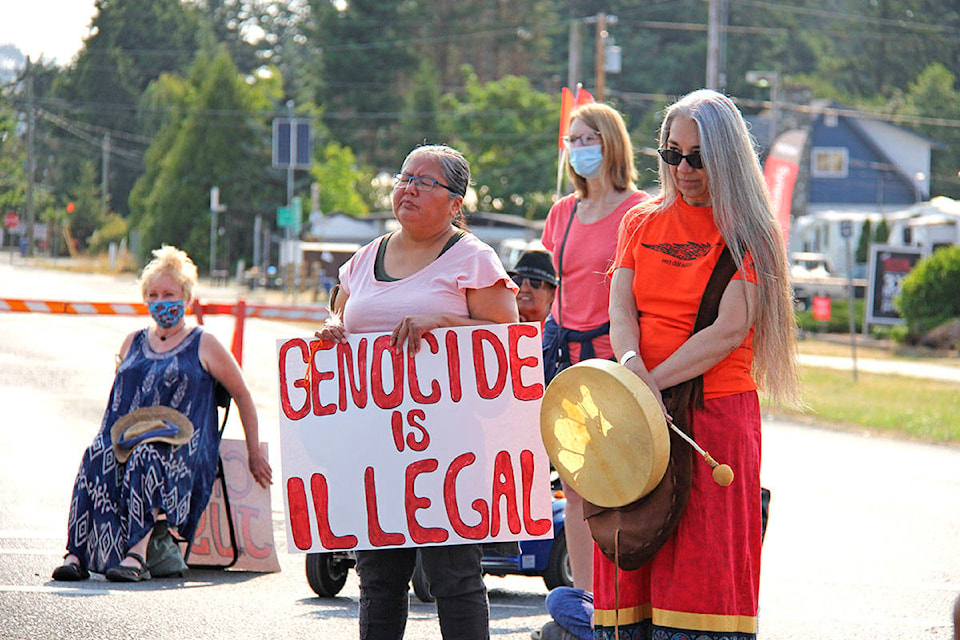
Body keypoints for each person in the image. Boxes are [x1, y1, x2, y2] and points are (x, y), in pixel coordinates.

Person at [600, 89, 800, 639]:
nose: (682, 169)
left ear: (728, 156)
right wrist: (633, 366)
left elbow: (729, 331)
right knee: (629, 559)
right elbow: (620, 305)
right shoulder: (639, 222)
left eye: (698, 157)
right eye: (671, 154)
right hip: (639, 408)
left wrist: (647, 385)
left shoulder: (750, 234)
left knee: (705, 578)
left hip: (713, 417)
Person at [314, 144, 519, 640]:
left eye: (426, 182)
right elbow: (339, 315)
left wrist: (446, 320)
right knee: (379, 580)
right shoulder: (363, 260)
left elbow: (509, 343)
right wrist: (331, 329)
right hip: (376, 448)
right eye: (404, 177)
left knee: (454, 577)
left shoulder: (474, 259)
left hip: (449, 451)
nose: (409, 188)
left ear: (456, 204)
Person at [52, 245, 272, 582]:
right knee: (95, 455)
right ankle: (77, 554)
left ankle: (136, 556)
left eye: (169, 293)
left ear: (185, 296)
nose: (161, 301)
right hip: (130, 435)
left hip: (184, 448)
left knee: (145, 457)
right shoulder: (132, 342)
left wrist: (254, 451)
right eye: (153, 294)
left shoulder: (204, 343)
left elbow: (242, 394)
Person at [541, 102, 649, 595]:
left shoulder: (639, 210)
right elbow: (554, 287)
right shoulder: (562, 212)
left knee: (619, 484)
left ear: (612, 144)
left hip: (614, 361)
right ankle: (582, 598)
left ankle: (620, 597)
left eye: (590, 139)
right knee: (578, 485)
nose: (580, 148)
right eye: (573, 140)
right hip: (565, 361)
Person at [509, 249, 557, 324]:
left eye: (535, 282)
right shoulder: (498, 327)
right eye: (517, 281)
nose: (524, 289)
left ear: (552, 294)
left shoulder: (563, 332)